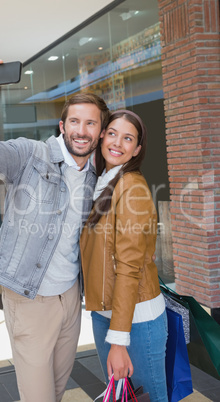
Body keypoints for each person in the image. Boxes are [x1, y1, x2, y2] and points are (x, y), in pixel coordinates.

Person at [0, 61, 110, 402]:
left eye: (90, 123)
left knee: (56, 388)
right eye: (75, 122)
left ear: (100, 130)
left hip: (70, 295)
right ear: (62, 125)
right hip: (30, 298)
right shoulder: (29, 155)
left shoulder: (97, 175)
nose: (81, 131)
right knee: (38, 396)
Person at [80, 110, 168, 401]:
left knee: (146, 397)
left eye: (128, 138)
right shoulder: (104, 181)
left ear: (137, 149)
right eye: (113, 133)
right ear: (102, 135)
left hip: (136, 320)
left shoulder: (131, 187)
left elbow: (129, 267)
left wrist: (119, 341)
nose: (118, 142)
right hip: (108, 313)